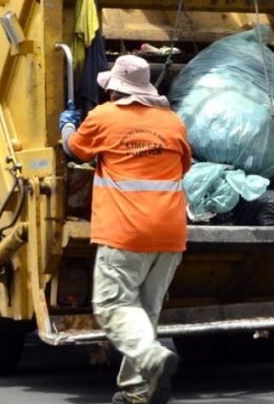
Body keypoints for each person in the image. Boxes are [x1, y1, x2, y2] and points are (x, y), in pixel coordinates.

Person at [59, 54, 192, 404]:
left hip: (126, 232)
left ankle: (151, 358)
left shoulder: (103, 116)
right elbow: (184, 166)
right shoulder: (173, 123)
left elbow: (75, 152)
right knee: (144, 310)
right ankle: (136, 390)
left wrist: (67, 127)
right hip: (170, 235)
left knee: (110, 304)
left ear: (114, 90)